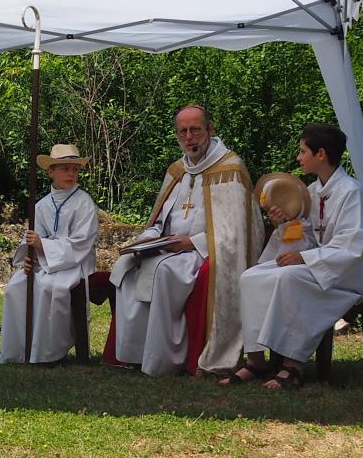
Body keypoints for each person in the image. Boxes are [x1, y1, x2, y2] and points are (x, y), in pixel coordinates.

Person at [109, 105, 263, 376]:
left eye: (195, 130)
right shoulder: (177, 170)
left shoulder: (230, 168)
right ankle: (133, 353)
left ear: (210, 130)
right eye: (183, 131)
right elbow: (158, 220)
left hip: (202, 252)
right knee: (128, 268)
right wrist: (149, 239)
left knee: (164, 272)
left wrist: (191, 243)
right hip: (168, 248)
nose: (189, 137)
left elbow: (236, 232)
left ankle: (165, 360)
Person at [221, 123, 363, 389]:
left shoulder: (352, 193)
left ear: (321, 154)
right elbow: (304, 236)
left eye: (303, 151)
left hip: (344, 275)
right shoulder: (312, 192)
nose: (298, 157)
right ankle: (256, 360)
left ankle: (293, 365)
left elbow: (353, 246)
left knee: (288, 279)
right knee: (251, 277)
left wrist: (305, 259)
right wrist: (284, 223)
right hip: (318, 265)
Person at [0, 144, 99, 364]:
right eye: (65, 168)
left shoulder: (84, 203)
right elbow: (32, 239)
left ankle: (49, 351)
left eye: (75, 169)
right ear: (50, 171)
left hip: (74, 263)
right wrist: (29, 258)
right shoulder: (42, 205)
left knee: (48, 288)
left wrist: (43, 247)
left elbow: (81, 242)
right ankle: (19, 350)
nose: (71, 174)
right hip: (45, 261)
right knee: (15, 287)